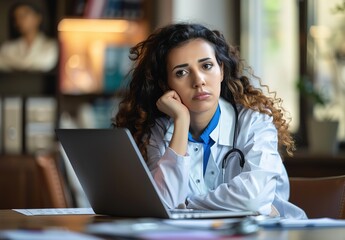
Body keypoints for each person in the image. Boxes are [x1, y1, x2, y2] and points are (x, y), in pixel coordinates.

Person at [114, 23, 307, 219]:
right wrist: (181, 121)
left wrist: (187, 204)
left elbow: (253, 199)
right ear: (166, 84)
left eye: (206, 66)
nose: (198, 81)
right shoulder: (158, 131)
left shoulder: (255, 122)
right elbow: (164, 203)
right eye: (181, 72)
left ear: (221, 70)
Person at [0, 2, 58, 72]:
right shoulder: (7, 47)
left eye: (24, 15)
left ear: (38, 18)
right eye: (16, 17)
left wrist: (14, 64)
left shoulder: (52, 46)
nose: (20, 20)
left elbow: (46, 63)